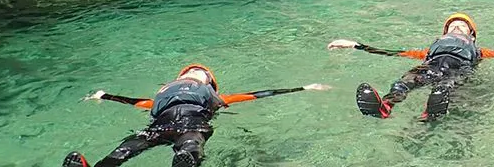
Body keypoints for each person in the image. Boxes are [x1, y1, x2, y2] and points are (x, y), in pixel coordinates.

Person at [326, 13, 494, 120]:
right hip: (429, 67)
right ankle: (385, 107)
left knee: (446, 87)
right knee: (402, 83)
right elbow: (390, 52)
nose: (456, 27)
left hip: (458, 71)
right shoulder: (426, 52)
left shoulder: (481, 52)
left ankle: (430, 113)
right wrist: (356, 45)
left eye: (461, 26)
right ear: (443, 34)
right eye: (451, 26)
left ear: (472, 36)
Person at [61, 64, 330, 167]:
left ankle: (185, 162)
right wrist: (105, 95)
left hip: (194, 123)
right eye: (190, 71)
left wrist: (304, 88)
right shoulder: (158, 99)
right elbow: (135, 102)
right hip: (159, 125)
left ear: (210, 84)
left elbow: (257, 94)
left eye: (201, 73)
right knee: (127, 147)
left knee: (190, 147)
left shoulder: (219, 98)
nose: (194, 72)